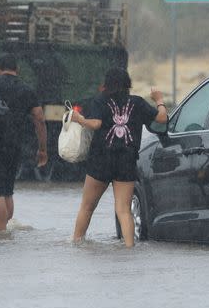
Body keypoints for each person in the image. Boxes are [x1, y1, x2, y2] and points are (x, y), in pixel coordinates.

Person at [71, 67, 168, 248]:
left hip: (100, 160)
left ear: (106, 84)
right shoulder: (137, 103)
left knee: (87, 207)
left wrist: (79, 119)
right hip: (126, 160)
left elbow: (96, 123)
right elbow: (162, 119)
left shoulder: (100, 100)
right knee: (124, 210)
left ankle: (76, 244)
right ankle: (129, 249)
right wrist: (159, 100)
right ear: (128, 84)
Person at [0, 54, 48, 231]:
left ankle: (0, 234)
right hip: (15, 144)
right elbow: (39, 118)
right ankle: (6, 231)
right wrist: (43, 149)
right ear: (18, 69)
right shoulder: (26, 89)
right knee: (8, 189)